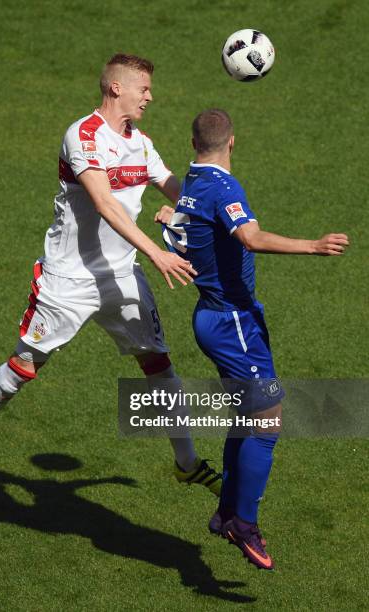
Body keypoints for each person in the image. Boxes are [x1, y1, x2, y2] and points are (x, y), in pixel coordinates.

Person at [0, 55, 222, 498]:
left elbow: (174, 186)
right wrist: (156, 252)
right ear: (116, 88)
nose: (150, 96)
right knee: (22, 370)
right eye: (143, 89)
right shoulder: (84, 135)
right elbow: (105, 204)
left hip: (120, 276)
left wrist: (206, 206)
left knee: (158, 363)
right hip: (68, 280)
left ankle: (187, 463)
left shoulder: (142, 144)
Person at [155, 108, 349, 570]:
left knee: (247, 415)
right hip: (232, 323)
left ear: (194, 143)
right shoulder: (224, 188)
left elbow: (183, 232)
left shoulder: (193, 182)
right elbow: (251, 236)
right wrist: (313, 245)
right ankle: (244, 522)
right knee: (268, 423)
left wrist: (168, 219)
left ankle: (226, 512)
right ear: (233, 142)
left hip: (214, 317)